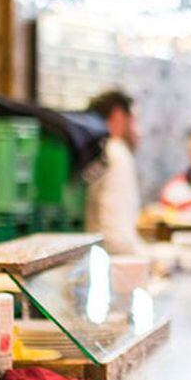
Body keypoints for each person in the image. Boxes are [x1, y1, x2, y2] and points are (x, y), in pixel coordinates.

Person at [83, 90, 143, 256]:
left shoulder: (99, 151)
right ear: (118, 116)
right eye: (135, 120)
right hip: (115, 263)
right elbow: (118, 235)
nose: (140, 132)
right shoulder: (116, 153)